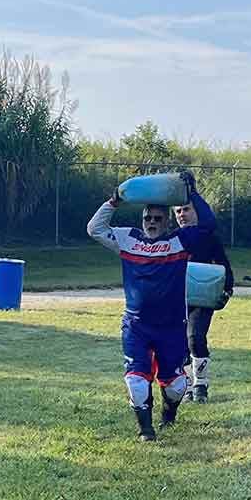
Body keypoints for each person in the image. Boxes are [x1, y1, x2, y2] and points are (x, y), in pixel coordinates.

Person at [87, 171, 219, 442]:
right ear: (142, 219)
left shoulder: (179, 242)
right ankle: (145, 429)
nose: (152, 222)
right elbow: (95, 229)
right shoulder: (127, 239)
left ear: (167, 221)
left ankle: (169, 411)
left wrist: (191, 193)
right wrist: (113, 201)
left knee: (177, 386)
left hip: (171, 328)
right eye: (148, 218)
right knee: (136, 381)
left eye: (158, 219)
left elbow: (208, 225)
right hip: (136, 325)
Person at [173, 201, 233, 402]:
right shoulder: (172, 238)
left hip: (202, 298)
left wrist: (227, 290)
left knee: (195, 336)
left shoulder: (208, 237)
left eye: (186, 209)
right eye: (178, 211)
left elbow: (223, 264)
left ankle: (201, 383)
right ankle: (187, 385)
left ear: (196, 212)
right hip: (176, 299)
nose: (182, 214)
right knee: (178, 342)